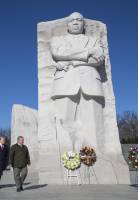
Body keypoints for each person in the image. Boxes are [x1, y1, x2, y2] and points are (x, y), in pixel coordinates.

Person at [50, 12, 106, 152]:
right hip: (65, 83)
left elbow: (98, 60)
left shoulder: (93, 40)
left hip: (91, 83)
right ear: (67, 24)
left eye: (79, 20)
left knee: (93, 124)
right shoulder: (58, 39)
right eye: (72, 20)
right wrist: (87, 53)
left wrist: (70, 60)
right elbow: (57, 54)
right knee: (64, 123)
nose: (76, 22)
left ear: (83, 24)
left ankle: (96, 157)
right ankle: (67, 157)